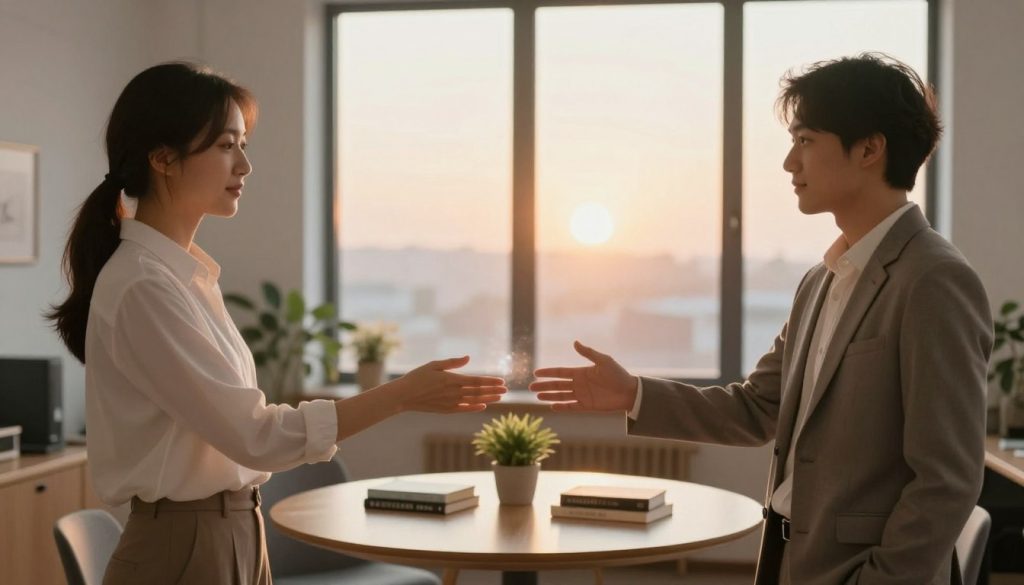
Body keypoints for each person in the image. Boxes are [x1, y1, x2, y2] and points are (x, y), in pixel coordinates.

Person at [530, 53, 993, 585]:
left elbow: (948, 478)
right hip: (789, 560)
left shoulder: (934, 281)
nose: (789, 164)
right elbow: (756, 407)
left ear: (869, 149)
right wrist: (633, 392)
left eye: (805, 141)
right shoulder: (821, 280)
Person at [46, 62, 507, 584]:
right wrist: (398, 395)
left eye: (243, 145)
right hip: (185, 546)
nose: (244, 165)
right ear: (163, 159)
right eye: (225, 146)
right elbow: (256, 435)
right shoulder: (144, 286)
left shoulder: (184, 278)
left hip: (235, 530)